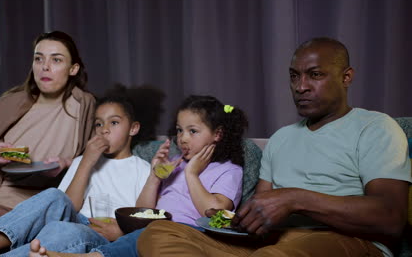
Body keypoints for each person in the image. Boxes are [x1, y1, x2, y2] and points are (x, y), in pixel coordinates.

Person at [137, 37, 412, 257]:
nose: (300, 86)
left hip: (346, 242)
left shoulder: (376, 127)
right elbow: (259, 211)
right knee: (159, 234)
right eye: (294, 76)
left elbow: (391, 217)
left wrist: (295, 198)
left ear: (346, 77)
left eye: (314, 75)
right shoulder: (282, 138)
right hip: (270, 243)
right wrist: (225, 219)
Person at [0, 84, 165, 257]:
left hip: (104, 235)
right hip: (74, 219)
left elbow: (142, 218)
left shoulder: (142, 169)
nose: (104, 129)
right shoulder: (84, 160)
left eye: (114, 123)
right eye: (98, 124)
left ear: (133, 128)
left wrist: (120, 232)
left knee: (66, 232)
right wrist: (87, 161)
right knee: (52, 197)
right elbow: (67, 204)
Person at [29, 95, 249, 257]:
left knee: (148, 234)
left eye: (192, 131)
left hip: (192, 233)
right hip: (158, 230)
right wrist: (155, 176)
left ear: (217, 134)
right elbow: (144, 210)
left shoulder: (228, 170)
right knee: (147, 232)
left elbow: (215, 213)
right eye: (179, 130)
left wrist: (192, 173)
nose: (182, 138)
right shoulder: (176, 167)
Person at [0, 31, 97, 249]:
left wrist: (66, 166)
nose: (45, 66)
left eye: (56, 60)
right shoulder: (10, 102)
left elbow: (95, 154)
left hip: (17, 206)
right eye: (38, 58)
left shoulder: (83, 108)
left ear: (73, 69)